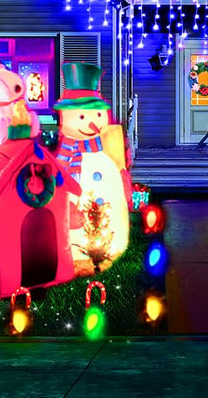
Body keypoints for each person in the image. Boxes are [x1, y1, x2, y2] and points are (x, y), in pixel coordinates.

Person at [54, 63, 131, 274]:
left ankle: (112, 249)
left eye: (97, 115)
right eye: (82, 117)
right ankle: (77, 254)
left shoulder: (104, 146)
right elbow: (58, 180)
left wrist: (122, 180)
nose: (92, 124)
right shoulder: (67, 155)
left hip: (108, 224)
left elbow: (118, 166)